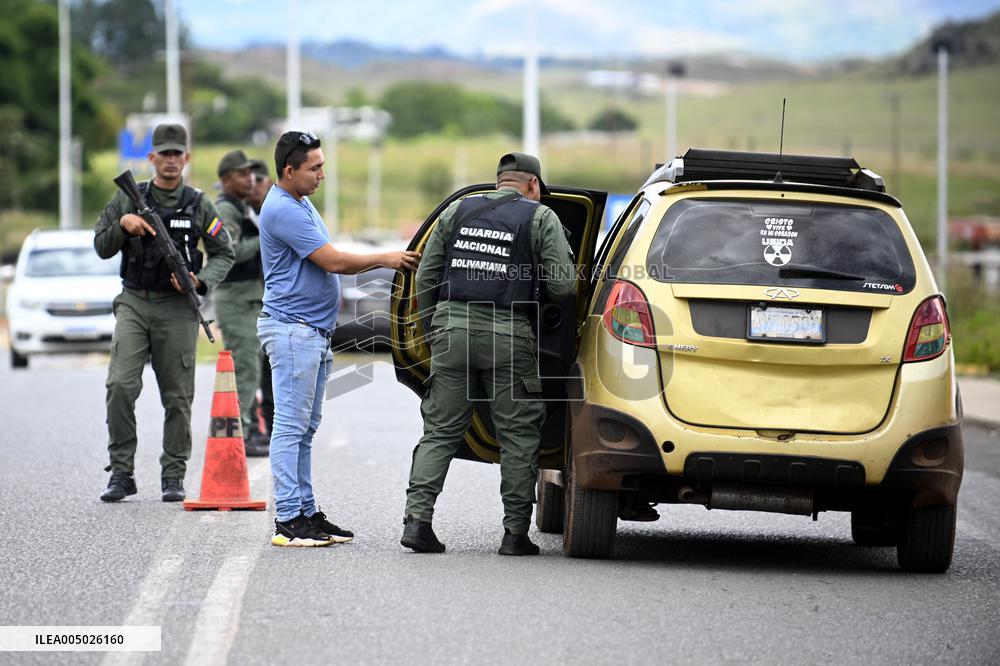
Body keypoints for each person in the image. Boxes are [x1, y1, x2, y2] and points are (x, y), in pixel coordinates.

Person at [401, 152, 576, 556]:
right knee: (517, 434)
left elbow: (427, 274)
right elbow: (565, 287)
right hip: (509, 336)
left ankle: (417, 522)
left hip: (450, 329)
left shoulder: (457, 210)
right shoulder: (539, 216)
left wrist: (433, 332)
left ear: (500, 181)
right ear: (532, 185)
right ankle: (515, 535)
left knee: (441, 430)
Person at [258, 130, 420, 547]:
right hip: (293, 331)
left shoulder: (302, 202)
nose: (322, 175)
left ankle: (306, 512)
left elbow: (325, 252)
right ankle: (289, 519)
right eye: (314, 168)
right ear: (289, 170)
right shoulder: (283, 210)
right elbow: (331, 259)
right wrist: (385, 257)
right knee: (290, 427)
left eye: (322, 166)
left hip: (312, 332)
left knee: (306, 428)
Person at [94, 123, 235, 502]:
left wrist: (200, 280)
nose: (171, 161)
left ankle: (173, 474)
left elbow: (225, 251)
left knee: (177, 396)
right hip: (135, 302)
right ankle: (121, 472)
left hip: (177, 309)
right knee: (120, 386)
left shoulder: (199, 202)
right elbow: (101, 245)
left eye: (177, 154)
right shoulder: (129, 196)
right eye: (164, 154)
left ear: (186, 159)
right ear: (151, 157)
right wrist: (123, 226)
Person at [213, 149, 269, 457]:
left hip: (248, 299)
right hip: (236, 299)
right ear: (225, 179)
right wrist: (266, 236)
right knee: (245, 368)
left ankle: (246, 430)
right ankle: (242, 434)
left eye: (251, 173)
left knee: (251, 367)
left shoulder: (241, 208)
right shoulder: (226, 210)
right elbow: (230, 251)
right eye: (242, 174)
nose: (250, 179)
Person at [247, 159, 275, 439]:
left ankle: (271, 425)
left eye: (257, 179)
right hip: (249, 299)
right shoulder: (240, 212)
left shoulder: (276, 209)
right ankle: (254, 428)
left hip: (274, 300)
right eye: (248, 180)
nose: (252, 185)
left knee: (270, 370)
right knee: (252, 365)